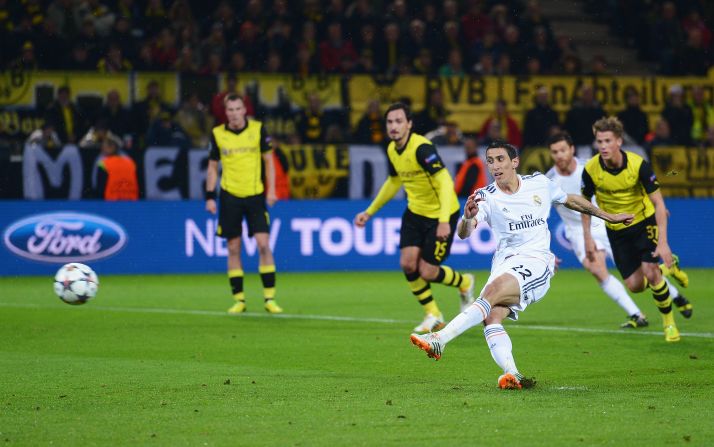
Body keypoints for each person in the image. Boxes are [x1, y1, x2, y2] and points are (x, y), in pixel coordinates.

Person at [410, 141, 634, 389]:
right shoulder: (485, 196)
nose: (495, 165)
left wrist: (609, 216)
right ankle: (513, 374)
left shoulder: (538, 183)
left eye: (500, 159)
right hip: (505, 263)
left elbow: (570, 200)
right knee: (491, 317)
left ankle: (440, 338)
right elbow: (465, 233)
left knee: (490, 294)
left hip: (537, 261)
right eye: (490, 161)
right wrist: (467, 216)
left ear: (514, 162)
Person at [354, 102, 476, 333]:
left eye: (399, 121)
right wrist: (369, 212)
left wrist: (442, 221)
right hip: (415, 212)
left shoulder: (422, 148)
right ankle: (433, 314)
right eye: (390, 122)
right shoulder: (391, 149)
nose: (394, 126)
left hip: (442, 212)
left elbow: (444, 181)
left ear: (409, 124)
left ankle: (465, 282)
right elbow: (394, 182)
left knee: (428, 271)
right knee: (408, 264)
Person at [546, 131, 689, 328]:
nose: (559, 155)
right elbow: (540, 216)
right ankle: (636, 314)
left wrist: (657, 208)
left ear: (572, 149)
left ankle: (674, 292)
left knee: (640, 272)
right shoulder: (549, 181)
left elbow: (628, 188)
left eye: (563, 150)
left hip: (607, 222)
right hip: (578, 231)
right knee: (596, 268)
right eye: (555, 152)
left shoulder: (590, 167)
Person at [582, 117, 692, 342]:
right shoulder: (591, 169)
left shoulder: (638, 165)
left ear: (619, 141)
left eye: (607, 140)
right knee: (635, 286)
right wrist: (587, 239)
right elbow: (585, 205)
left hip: (643, 223)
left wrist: (663, 242)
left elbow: (659, 204)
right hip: (616, 231)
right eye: (599, 141)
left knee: (651, 272)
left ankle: (669, 324)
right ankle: (670, 269)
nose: (602, 146)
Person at [205, 93, 283, 315]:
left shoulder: (258, 129)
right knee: (233, 247)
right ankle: (239, 299)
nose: (234, 114)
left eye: (238, 109)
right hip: (230, 196)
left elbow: (269, 162)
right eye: (230, 110)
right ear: (225, 112)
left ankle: (269, 298)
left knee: (263, 244)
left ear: (244, 110)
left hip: (256, 195)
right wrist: (210, 196)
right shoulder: (218, 134)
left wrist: (272, 190)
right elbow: (212, 167)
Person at [94, 136, 139, 201]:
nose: (102, 149)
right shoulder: (131, 163)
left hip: (111, 203)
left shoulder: (103, 164)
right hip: (131, 201)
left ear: (112, 148)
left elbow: (100, 188)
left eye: (104, 147)